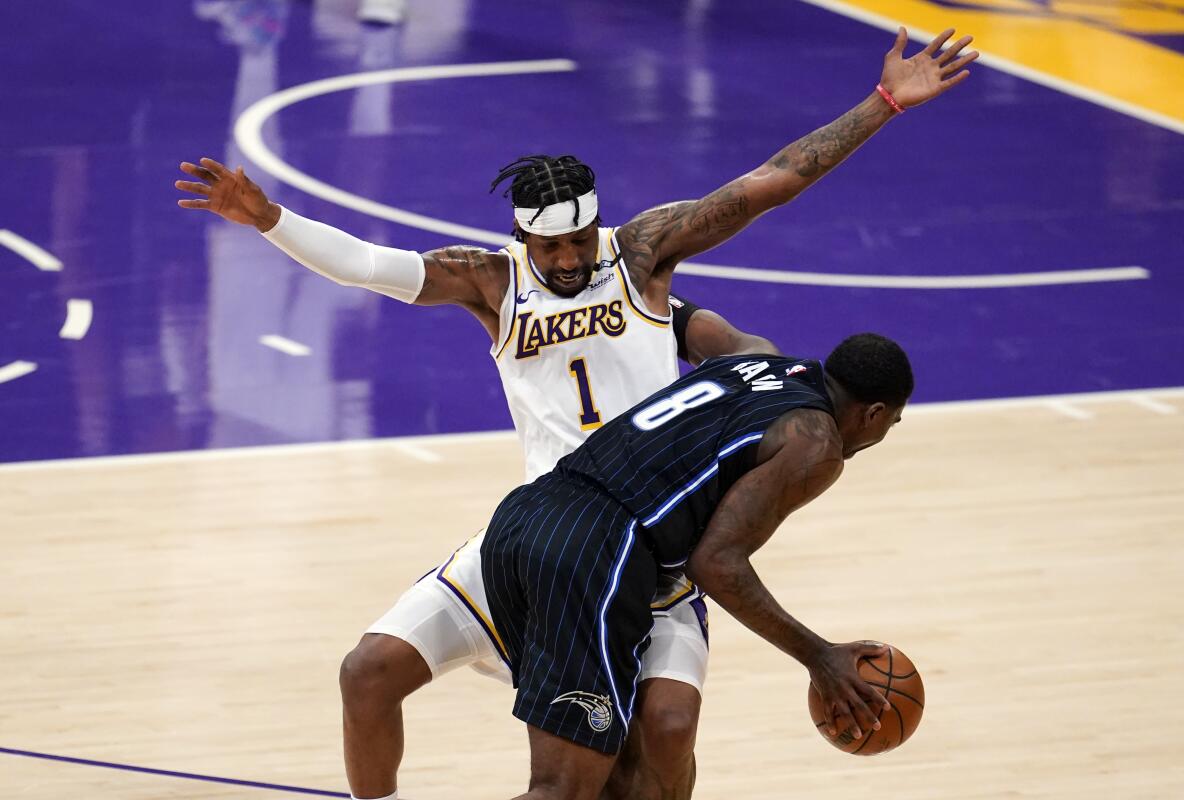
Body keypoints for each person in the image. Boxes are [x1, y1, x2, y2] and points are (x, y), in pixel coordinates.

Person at [175, 25, 976, 800]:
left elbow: (771, 181)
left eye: (577, 242)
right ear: (519, 236)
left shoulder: (644, 253)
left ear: (598, 224)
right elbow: (371, 267)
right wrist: (269, 220)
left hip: (651, 549)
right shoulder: (492, 283)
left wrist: (883, 103)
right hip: (545, 532)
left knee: (661, 735)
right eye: (547, 248)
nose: (564, 261)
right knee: (368, 673)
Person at [481, 332, 913, 799]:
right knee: (562, 791)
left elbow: (676, 313)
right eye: (892, 422)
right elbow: (716, 563)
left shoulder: (755, 356)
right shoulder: (816, 443)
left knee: (619, 773)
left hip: (522, 520)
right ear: (874, 414)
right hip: (594, 550)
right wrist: (819, 657)